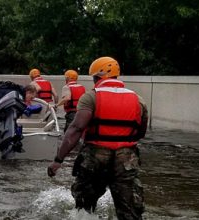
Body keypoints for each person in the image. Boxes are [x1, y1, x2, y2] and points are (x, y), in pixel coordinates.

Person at [47, 57, 148, 220]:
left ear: (96, 77)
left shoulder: (91, 97)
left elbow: (76, 129)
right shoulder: (138, 99)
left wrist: (58, 159)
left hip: (95, 157)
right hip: (126, 159)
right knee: (130, 210)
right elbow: (140, 132)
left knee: (84, 206)